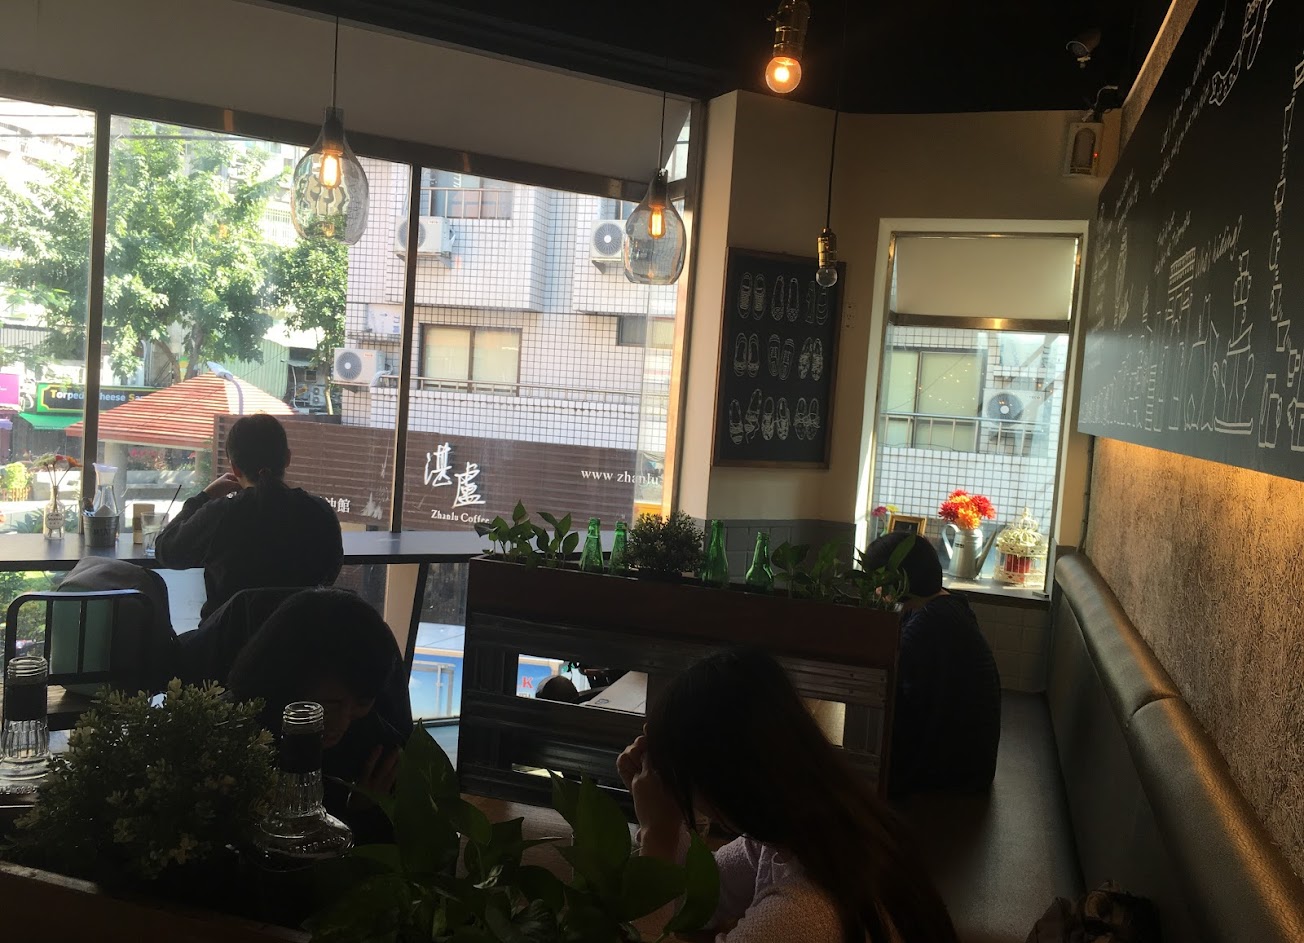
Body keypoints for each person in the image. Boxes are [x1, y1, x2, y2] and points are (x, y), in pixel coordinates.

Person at [618, 648, 959, 943]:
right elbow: (698, 902)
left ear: (720, 781)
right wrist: (666, 827)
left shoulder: (802, 913)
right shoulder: (816, 830)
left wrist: (657, 835)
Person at [226, 588, 407, 843]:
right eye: (330, 704)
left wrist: (368, 814)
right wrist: (353, 816)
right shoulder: (235, 737)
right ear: (286, 682)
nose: (342, 722)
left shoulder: (378, 751)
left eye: (362, 702)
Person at [153, 413, 343, 621]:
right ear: (287, 458)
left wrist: (204, 497)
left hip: (228, 638)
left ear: (235, 468)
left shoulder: (221, 513)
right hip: (299, 636)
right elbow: (331, 570)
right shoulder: (319, 512)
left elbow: (167, 551)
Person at [861, 532, 1001, 798]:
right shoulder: (947, 605)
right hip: (970, 765)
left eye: (877, 582)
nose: (875, 591)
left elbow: (886, 691)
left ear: (896, 581)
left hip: (948, 775)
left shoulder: (927, 625)